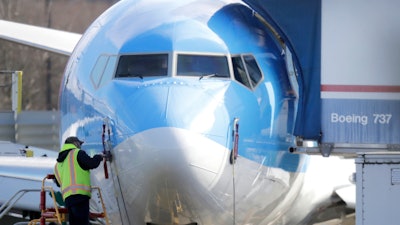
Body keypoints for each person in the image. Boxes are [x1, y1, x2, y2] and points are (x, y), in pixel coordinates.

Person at [54, 136, 103, 225]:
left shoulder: (58, 164)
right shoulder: (77, 153)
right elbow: (91, 163)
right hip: (80, 196)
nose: (80, 146)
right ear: (75, 143)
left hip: (68, 199)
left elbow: (57, 182)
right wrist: (99, 156)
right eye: (80, 144)